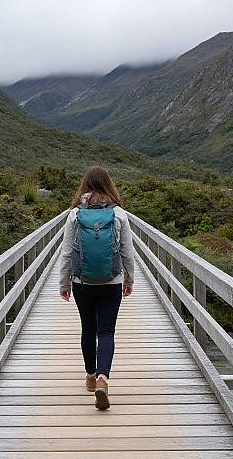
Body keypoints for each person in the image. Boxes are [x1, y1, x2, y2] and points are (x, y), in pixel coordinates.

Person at [59, 166, 135, 410]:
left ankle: (90, 375)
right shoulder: (119, 214)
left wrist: (64, 283)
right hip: (111, 281)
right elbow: (128, 253)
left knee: (87, 329)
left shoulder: (74, 214)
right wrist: (129, 280)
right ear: (109, 185)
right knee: (106, 332)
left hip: (82, 282)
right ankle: (104, 378)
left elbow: (67, 253)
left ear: (85, 186)